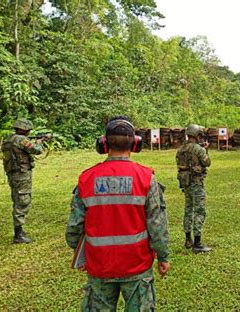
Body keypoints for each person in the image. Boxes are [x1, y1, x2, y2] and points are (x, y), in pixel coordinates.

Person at [65, 116, 170, 310]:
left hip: (99, 265)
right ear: (135, 144)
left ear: (103, 143)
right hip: (136, 265)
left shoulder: (86, 178)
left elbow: (74, 227)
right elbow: (157, 224)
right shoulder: (146, 178)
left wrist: (80, 254)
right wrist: (163, 257)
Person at [2, 119, 44, 244]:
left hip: (13, 174)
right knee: (23, 201)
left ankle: (19, 231)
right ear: (24, 130)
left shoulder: (9, 139)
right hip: (21, 174)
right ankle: (18, 234)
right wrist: (39, 143)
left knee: (17, 200)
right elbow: (37, 150)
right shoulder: (21, 140)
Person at [176, 124, 212, 253]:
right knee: (199, 211)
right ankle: (197, 243)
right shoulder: (198, 149)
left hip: (185, 183)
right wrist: (206, 150)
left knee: (188, 209)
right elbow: (207, 162)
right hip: (196, 183)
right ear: (197, 135)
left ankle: (188, 239)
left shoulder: (181, 149)